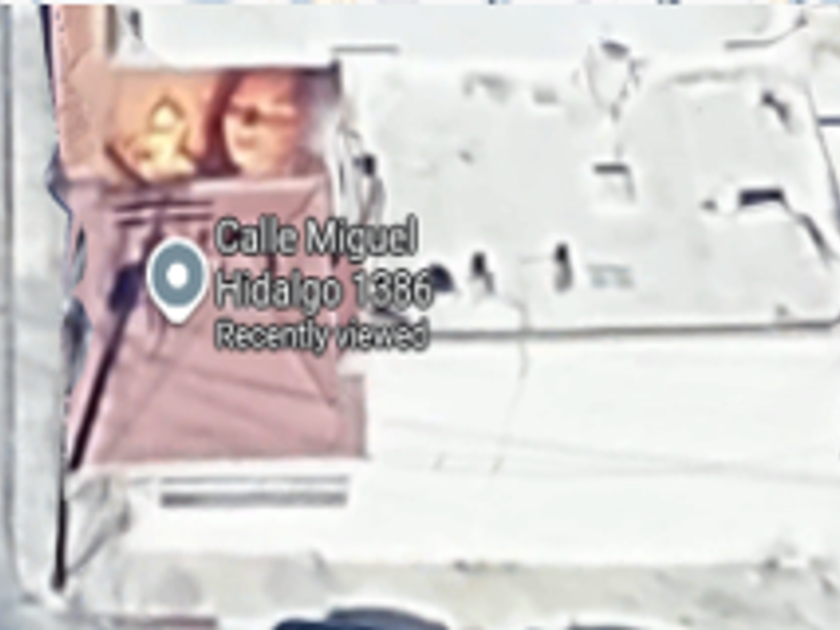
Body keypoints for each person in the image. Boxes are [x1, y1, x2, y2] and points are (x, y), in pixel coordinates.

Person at [201, 69, 326, 179]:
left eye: (273, 110)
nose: (245, 125)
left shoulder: (327, 183)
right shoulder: (202, 186)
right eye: (235, 108)